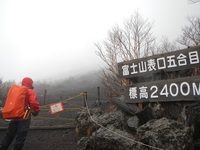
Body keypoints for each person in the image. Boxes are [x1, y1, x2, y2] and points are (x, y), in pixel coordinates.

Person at [0, 77, 40, 150]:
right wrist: (36, 111)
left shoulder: (17, 91)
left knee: (9, 135)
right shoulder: (30, 91)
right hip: (25, 115)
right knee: (21, 137)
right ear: (30, 83)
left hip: (14, 115)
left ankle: (2, 148)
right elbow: (34, 103)